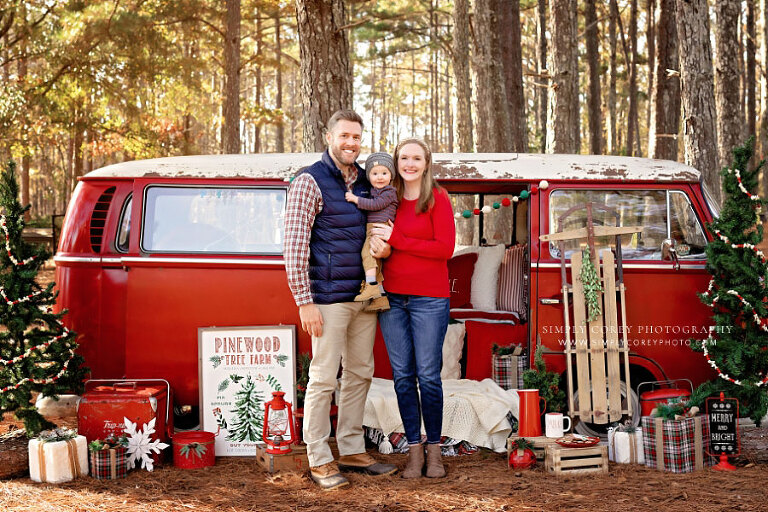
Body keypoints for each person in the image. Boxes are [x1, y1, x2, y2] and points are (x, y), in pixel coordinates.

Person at [283, 110, 397, 490]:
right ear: (328, 135)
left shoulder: (367, 181)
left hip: (363, 296)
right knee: (322, 378)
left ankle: (350, 447)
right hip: (328, 298)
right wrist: (304, 300)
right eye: (344, 135)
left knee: (361, 372)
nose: (351, 143)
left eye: (356, 137)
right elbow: (294, 246)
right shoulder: (309, 181)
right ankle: (318, 455)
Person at [370, 138, 455, 479]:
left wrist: (397, 239)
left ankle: (435, 453)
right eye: (403, 158)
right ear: (396, 162)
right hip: (391, 298)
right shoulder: (385, 198)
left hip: (429, 299)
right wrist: (378, 245)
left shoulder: (437, 197)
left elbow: (445, 248)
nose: (409, 163)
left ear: (426, 162)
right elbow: (375, 236)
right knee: (403, 378)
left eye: (416, 158)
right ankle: (414, 453)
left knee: (429, 378)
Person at [345, 152, 399, 310]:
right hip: (373, 227)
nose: (380, 177)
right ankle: (381, 297)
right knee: (376, 262)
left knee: (367, 254)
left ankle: (370, 286)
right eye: (375, 173)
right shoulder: (373, 190)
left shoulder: (389, 192)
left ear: (391, 175)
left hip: (379, 228)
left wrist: (355, 199)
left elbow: (375, 205)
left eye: (384, 173)